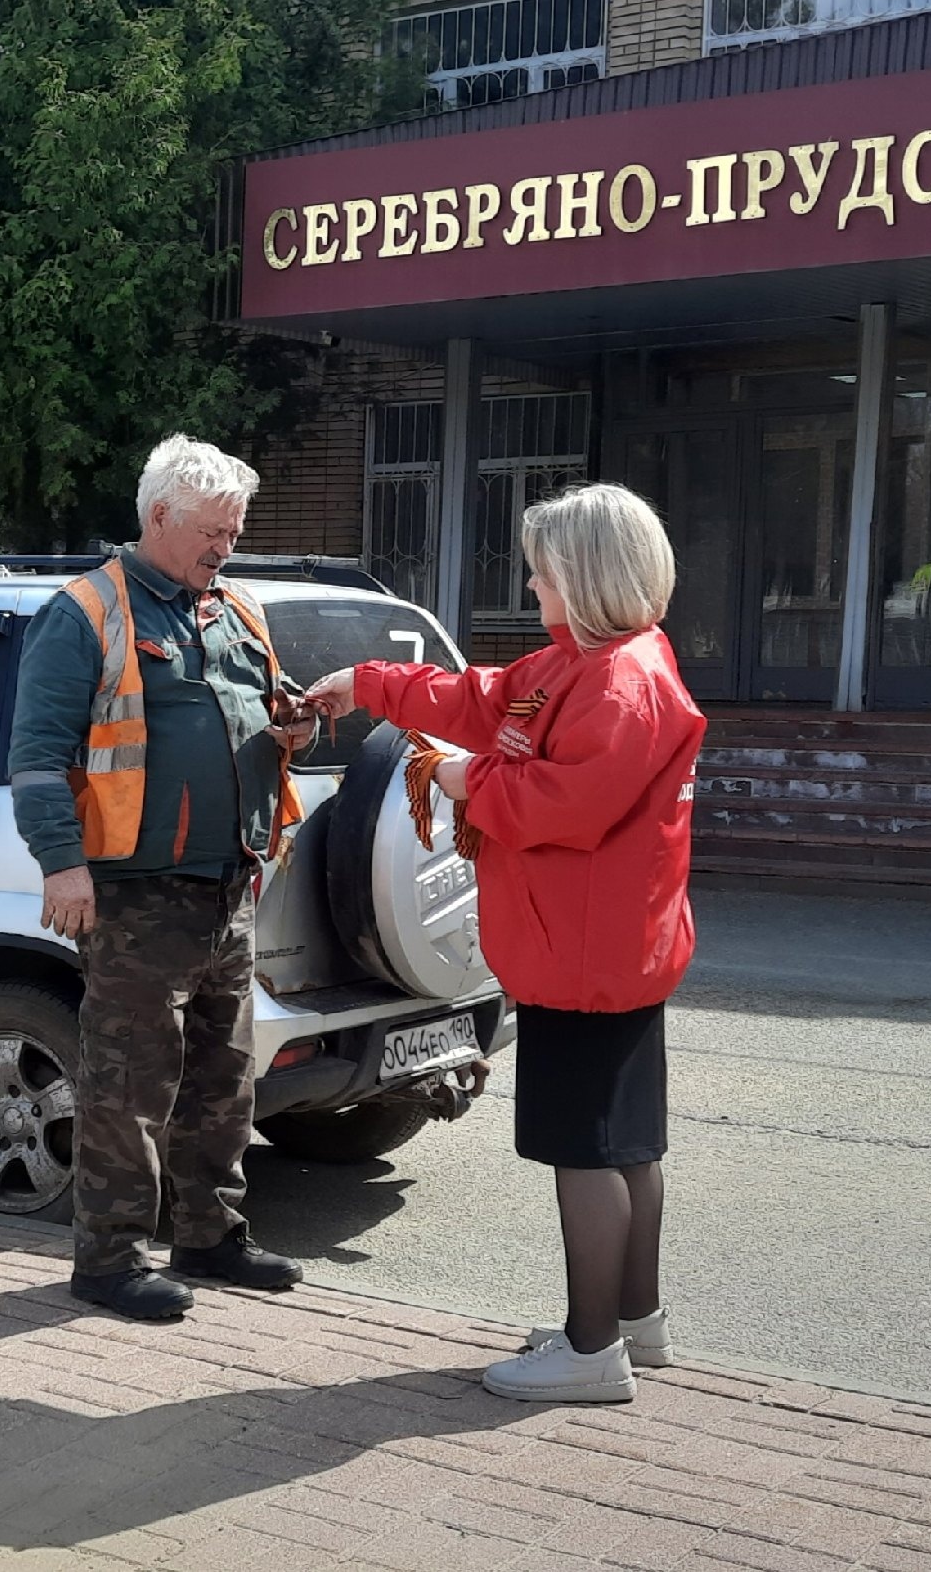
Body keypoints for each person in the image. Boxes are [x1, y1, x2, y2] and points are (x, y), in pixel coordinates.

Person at [305, 483, 706, 1403]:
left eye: (544, 569)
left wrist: (455, 778)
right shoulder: (591, 663)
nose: (530, 582)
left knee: (585, 1150)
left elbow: (558, 805)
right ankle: (633, 1323)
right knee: (626, 1143)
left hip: (582, 956)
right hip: (607, 950)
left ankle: (589, 1347)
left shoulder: (618, 682)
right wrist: (367, 685)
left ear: (589, 577)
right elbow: (483, 697)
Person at [9, 434, 318, 1321]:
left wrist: (293, 728)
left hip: (229, 887)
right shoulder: (86, 613)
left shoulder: (234, 610)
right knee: (130, 1084)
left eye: (234, 531)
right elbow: (36, 759)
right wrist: (62, 865)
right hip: (135, 895)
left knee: (224, 1077)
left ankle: (208, 1236)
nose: (225, 547)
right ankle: (107, 1260)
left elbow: (270, 708)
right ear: (157, 517)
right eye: (212, 531)